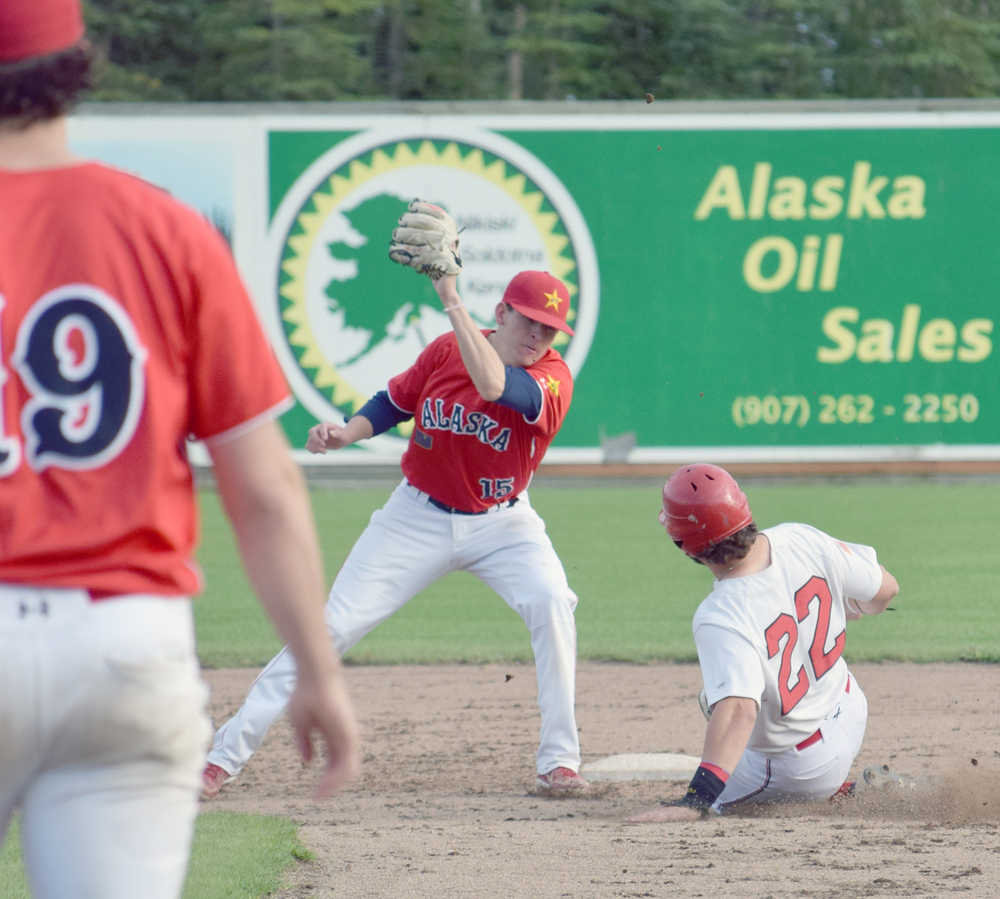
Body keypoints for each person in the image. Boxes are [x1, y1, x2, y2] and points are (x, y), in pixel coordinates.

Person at [0, 3, 360, 896]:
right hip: (125, 643)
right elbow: (265, 485)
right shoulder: (166, 229)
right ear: (79, 64)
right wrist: (316, 669)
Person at [201, 265, 588, 798]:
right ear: (501, 313)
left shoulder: (552, 377)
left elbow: (495, 385)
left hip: (504, 523)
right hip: (416, 518)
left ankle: (559, 763)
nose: (538, 337)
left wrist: (449, 296)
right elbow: (395, 402)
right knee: (330, 627)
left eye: (549, 329)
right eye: (530, 322)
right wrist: (345, 434)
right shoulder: (445, 351)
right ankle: (221, 759)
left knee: (551, 603)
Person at [629, 463, 900, 822]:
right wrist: (857, 608)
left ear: (685, 545)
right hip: (850, 709)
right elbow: (886, 590)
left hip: (800, 767)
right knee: (740, 686)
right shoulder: (801, 537)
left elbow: (740, 710)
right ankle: (835, 785)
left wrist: (696, 800)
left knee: (717, 705)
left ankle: (832, 790)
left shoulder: (720, 614)